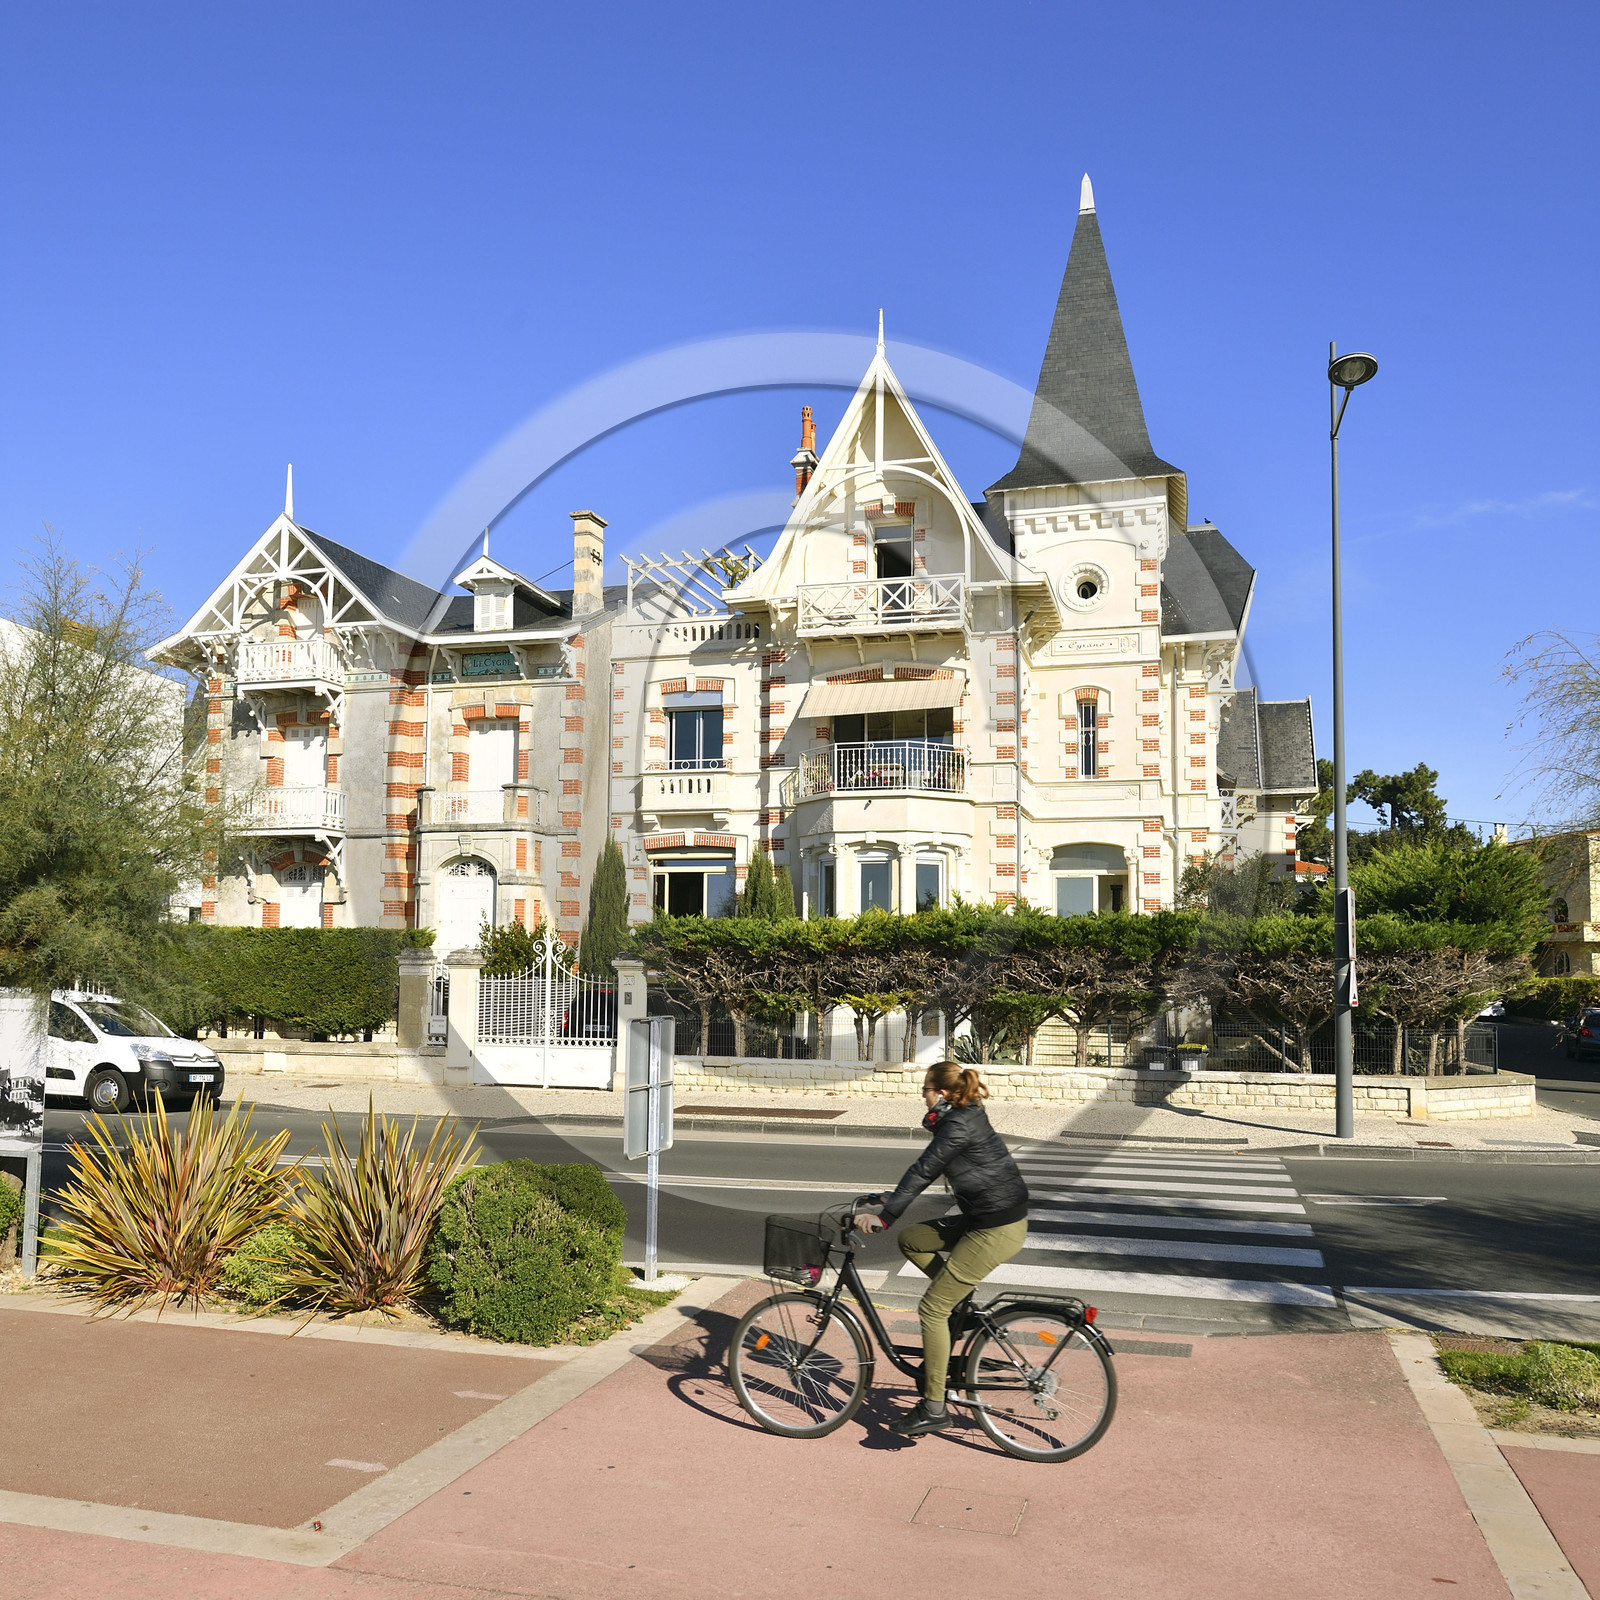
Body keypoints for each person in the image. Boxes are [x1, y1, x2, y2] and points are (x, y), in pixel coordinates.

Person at [854, 1060, 1029, 1436]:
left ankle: (934, 1407)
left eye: (925, 1092)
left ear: (942, 1094)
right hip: (988, 1215)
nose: (923, 1097)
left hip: (996, 1227)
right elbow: (936, 1171)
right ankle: (959, 1307)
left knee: (932, 1308)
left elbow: (923, 1170)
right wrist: (890, 1199)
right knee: (912, 1239)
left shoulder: (956, 1124)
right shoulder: (964, 1115)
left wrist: (884, 1217)